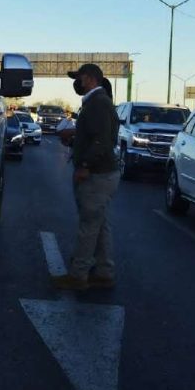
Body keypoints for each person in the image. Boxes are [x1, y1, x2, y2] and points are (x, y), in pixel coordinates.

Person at [53, 64, 121, 291]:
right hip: (102, 172)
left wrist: (84, 165)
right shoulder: (95, 102)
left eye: (79, 78)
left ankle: (78, 275)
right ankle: (104, 272)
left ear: (90, 79)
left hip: (97, 175)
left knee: (89, 226)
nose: (77, 83)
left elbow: (102, 141)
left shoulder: (98, 103)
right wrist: (74, 141)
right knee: (99, 225)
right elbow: (92, 137)